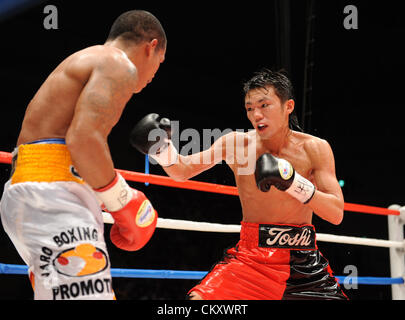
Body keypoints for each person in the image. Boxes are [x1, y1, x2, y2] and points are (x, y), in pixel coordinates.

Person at [131, 68, 348, 300]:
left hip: (305, 266)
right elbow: (182, 170)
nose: (256, 115)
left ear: (288, 106)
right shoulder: (236, 144)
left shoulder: (315, 148)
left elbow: (335, 213)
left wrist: (292, 181)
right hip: (251, 262)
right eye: (250, 108)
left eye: (264, 105)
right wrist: (162, 148)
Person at [0, 10, 166, 300]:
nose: (154, 75)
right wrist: (123, 200)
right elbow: (84, 140)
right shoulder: (118, 64)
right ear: (150, 47)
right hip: (51, 195)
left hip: (35, 190)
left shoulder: (88, 59)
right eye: (159, 64)